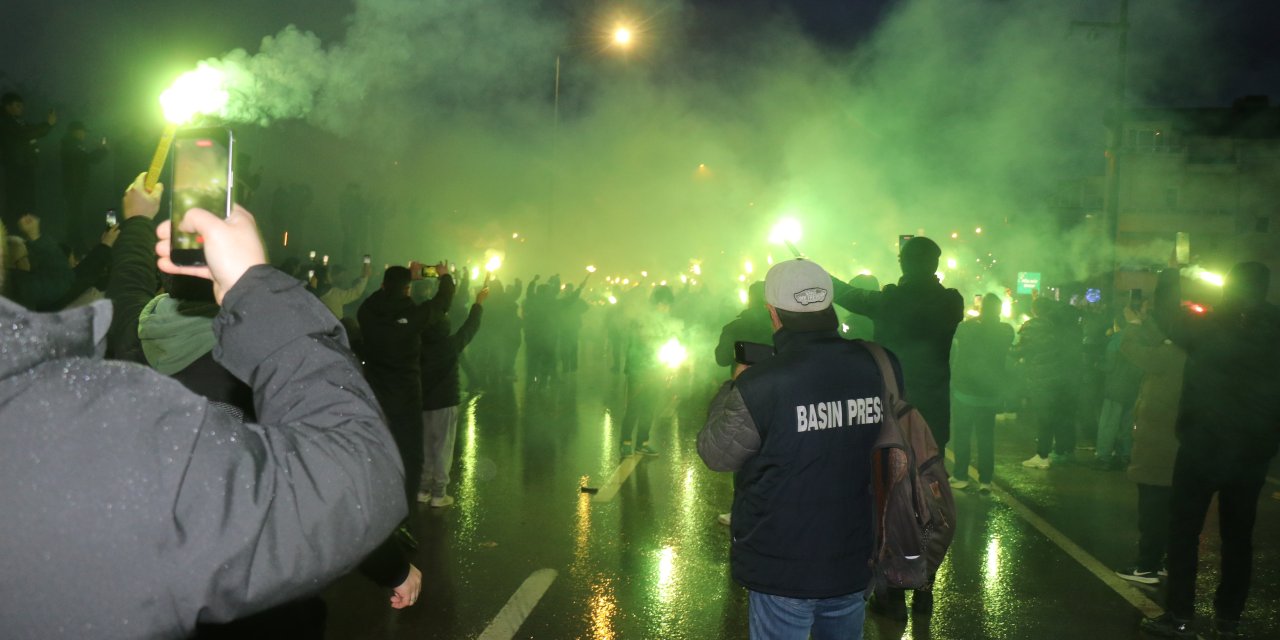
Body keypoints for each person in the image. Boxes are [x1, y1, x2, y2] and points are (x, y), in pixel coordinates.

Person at [0, 185, 408, 638]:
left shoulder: (125, 344)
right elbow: (335, 482)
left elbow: (129, 283)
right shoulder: (224, 391)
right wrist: (254, 284)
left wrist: (138, 222)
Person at [698, 258, 899, 640]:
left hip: (782, 566)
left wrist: (734, 387)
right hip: (856, 555)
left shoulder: (761, 383)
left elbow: (717, 453)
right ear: (829, 306)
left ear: (773, 314)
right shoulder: (881, 364)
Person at [1141, 264, 1280, 639]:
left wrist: (1170, 275)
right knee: (1239, 538)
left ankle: (1180, 615)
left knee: (1183, 532)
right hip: (1251, 452)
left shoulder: (1209, 324)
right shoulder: (1276, 329)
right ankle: (1229, 618)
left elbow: (1166, 315)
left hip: (1203, 446)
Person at [831, 235, 962, 619]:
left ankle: (890, 590)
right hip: (934, 416)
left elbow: (850, 295)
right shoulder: (951, 301)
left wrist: (813, 270)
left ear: (904, 264)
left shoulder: (891, 300)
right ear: (936, 265)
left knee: (887, 501)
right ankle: (925, 583)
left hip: (892, 412)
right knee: (930, 500)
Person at [358, 261, 455, 511]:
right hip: (406, 396)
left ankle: (374, 500)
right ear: (408, 289)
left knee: (378, 447)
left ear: (383, 285)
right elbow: (442, 303)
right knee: (410, 453)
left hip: (375, 392)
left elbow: (377, 297)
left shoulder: (367, 312)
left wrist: (398, 282)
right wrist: (445, 277)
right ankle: (404, 507)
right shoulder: (413, 315)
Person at [1112, 310, 1184, 586]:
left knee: (1153, 509)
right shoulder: (1188, 353)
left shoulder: (1168, 356)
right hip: (1176, 444)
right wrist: (1147, 322)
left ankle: (1147, 566)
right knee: (1169, 509)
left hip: (1158, 445)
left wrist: (1131, 323)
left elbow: (1129, 348)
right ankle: (1163, 561)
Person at [418, 282, 489, 507]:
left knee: (426, 445)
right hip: (445, 403)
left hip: (423, 403)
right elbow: (470, 328)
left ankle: (423, 489)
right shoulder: (450, 346)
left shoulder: (417, 346)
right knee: (443, 447)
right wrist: (478, 304)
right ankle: (439, 493)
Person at [949, 293, 1014, 492]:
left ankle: (961, 476)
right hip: (990, 393)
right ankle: (985, 480)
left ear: (982, 309)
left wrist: (977, 317)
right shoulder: (1006, 331)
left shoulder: (968, 328)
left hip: (965, 393)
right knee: (986, 437)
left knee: (962, 435)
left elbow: (957, 330)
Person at [1017, 297, 1082, 469]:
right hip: (1065, 378)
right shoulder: (1065, 326)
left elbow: (1020, 349)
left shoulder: (1035, 326)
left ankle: (1042, 455)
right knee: (1062, 416)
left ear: (1035, 310)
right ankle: (1064, 450)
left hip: (1042, 379)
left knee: (1044, 417)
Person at [621, 284, 680, 457]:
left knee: (649, 408)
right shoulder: (640, 320)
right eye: (663, 304)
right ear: (656, 303)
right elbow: (636, 347)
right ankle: (625, 442)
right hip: (638, 371)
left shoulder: (665, 322)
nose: (666, 308)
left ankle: (642, 442)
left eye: (668, 305)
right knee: (634, 407)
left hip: (656, 371)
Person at [1094, 310, 1144, 470]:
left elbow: (1110, 366)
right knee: (1129, 425)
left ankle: (1103, 457)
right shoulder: (1140, 340)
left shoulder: (1115, 341)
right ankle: (1126, 455)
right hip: (1134, 389)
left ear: (1117, 325)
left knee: (1108, 424)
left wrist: (1096, 365)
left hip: (1115, 390)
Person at [0, 92, 56, 224]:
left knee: (27, 204)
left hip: (24, 167)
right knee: (17, 204)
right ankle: (15, 238)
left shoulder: (18, 122)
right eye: (17, 105)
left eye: (21, 106)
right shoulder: (6, 122)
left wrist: (46, 126)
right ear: (7, 107)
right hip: (16, 168)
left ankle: (26, 237)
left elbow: (32, 130)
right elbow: (26, 133)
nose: (21, 108)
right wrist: (48, 125)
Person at [60, 120, 109, 251]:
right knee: (75, 215)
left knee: (76, 214)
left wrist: (101, 150)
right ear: (75, 131)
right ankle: (75, 243)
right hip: (74, 187)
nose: (84, 135)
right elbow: (88, 158)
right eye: (82, 131)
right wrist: (101, 150)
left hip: (76, 186)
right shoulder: (70, 145)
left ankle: (74, 241)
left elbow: (89, 159)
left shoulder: (74, 145)